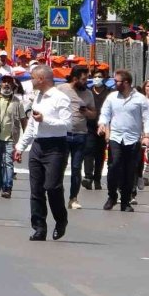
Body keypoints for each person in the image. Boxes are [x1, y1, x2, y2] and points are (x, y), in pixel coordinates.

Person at [15, 65, 71, 241]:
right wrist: (20, 147)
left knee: (52, 187)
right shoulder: (37, 98)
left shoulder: (60, 98)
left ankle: (61, 220)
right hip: (38, 145)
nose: (31, 81)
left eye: (33, 78)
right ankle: (39, 227)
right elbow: (32, 126)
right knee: (36, 190)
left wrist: (45, 120)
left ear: (41, 79)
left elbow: (67, 124)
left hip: (56, 146)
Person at [97, 69, 149, 212]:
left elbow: (147, 118)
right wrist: (102, 124)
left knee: (130, 171)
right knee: (114, 165)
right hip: (116, 137)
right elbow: (105, 113)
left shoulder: (140, 99)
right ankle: (112, 196)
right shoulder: (112, 97)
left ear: (126, 82)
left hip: (133, 139)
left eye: (117, 81)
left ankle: (125, 201)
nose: (114, 83)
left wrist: (146, 136)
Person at [56, 66, 95, 210]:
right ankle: (57, 195)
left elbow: (94, 114)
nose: (86, 82)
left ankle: (73, 198)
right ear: (75, 78)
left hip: (80, 135)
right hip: (63, 134)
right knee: (60, 166)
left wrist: (86, 112)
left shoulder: (88, 94)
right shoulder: (61, 89)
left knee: (76, 167)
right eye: (84, 79)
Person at [82, 68, 110, 191]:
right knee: (88, 151)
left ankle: (97, 179)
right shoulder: (88, 92)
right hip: (89, 127)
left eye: (99, 76)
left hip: (104, 128)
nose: (97, 79)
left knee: (100, 155)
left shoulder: (109, 93)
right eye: (95, 76)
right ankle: (88, 177)